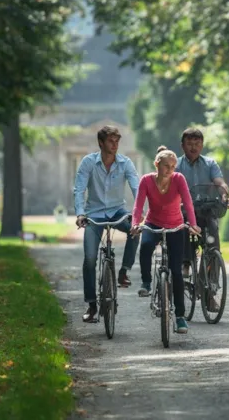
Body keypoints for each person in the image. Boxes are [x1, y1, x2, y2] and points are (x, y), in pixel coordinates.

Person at [74, 125, 141, 324]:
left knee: (135, 231)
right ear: (101, 143)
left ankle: (123, 272)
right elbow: (78, 190)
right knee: (90, 258)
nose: (115, 145)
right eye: (111, 141)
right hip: (94, 214)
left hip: (117, 211)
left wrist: (138, 214)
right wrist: (80, 214)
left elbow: (137, 188)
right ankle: (92, 305)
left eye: (117, 141)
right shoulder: (88, 163)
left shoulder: (125, 163)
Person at [130, 147, 201, 334]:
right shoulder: (146, 180)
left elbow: (188, 203)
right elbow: (138, 205)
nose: (169, 170)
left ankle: (179, 317)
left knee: (176, 272)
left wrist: (192, 224)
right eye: (165, 166)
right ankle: (146, 283)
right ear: (157, 165)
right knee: (145, 247)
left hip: (176, 226)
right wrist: (136, 223)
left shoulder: (179, 179)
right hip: (153, 223)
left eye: (172, 166)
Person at [175, 127, 229, 310]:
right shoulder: (176, 165)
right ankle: (185, 263)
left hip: (206, 212)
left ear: (202, 145)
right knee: (185, 230)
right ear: (182, 145)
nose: (193, 147)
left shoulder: (210, 164)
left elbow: (219, 181)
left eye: (197, 144)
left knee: (213, 247)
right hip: (185, 213)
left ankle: (210, 292)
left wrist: (224, 192)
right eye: (190, 144)